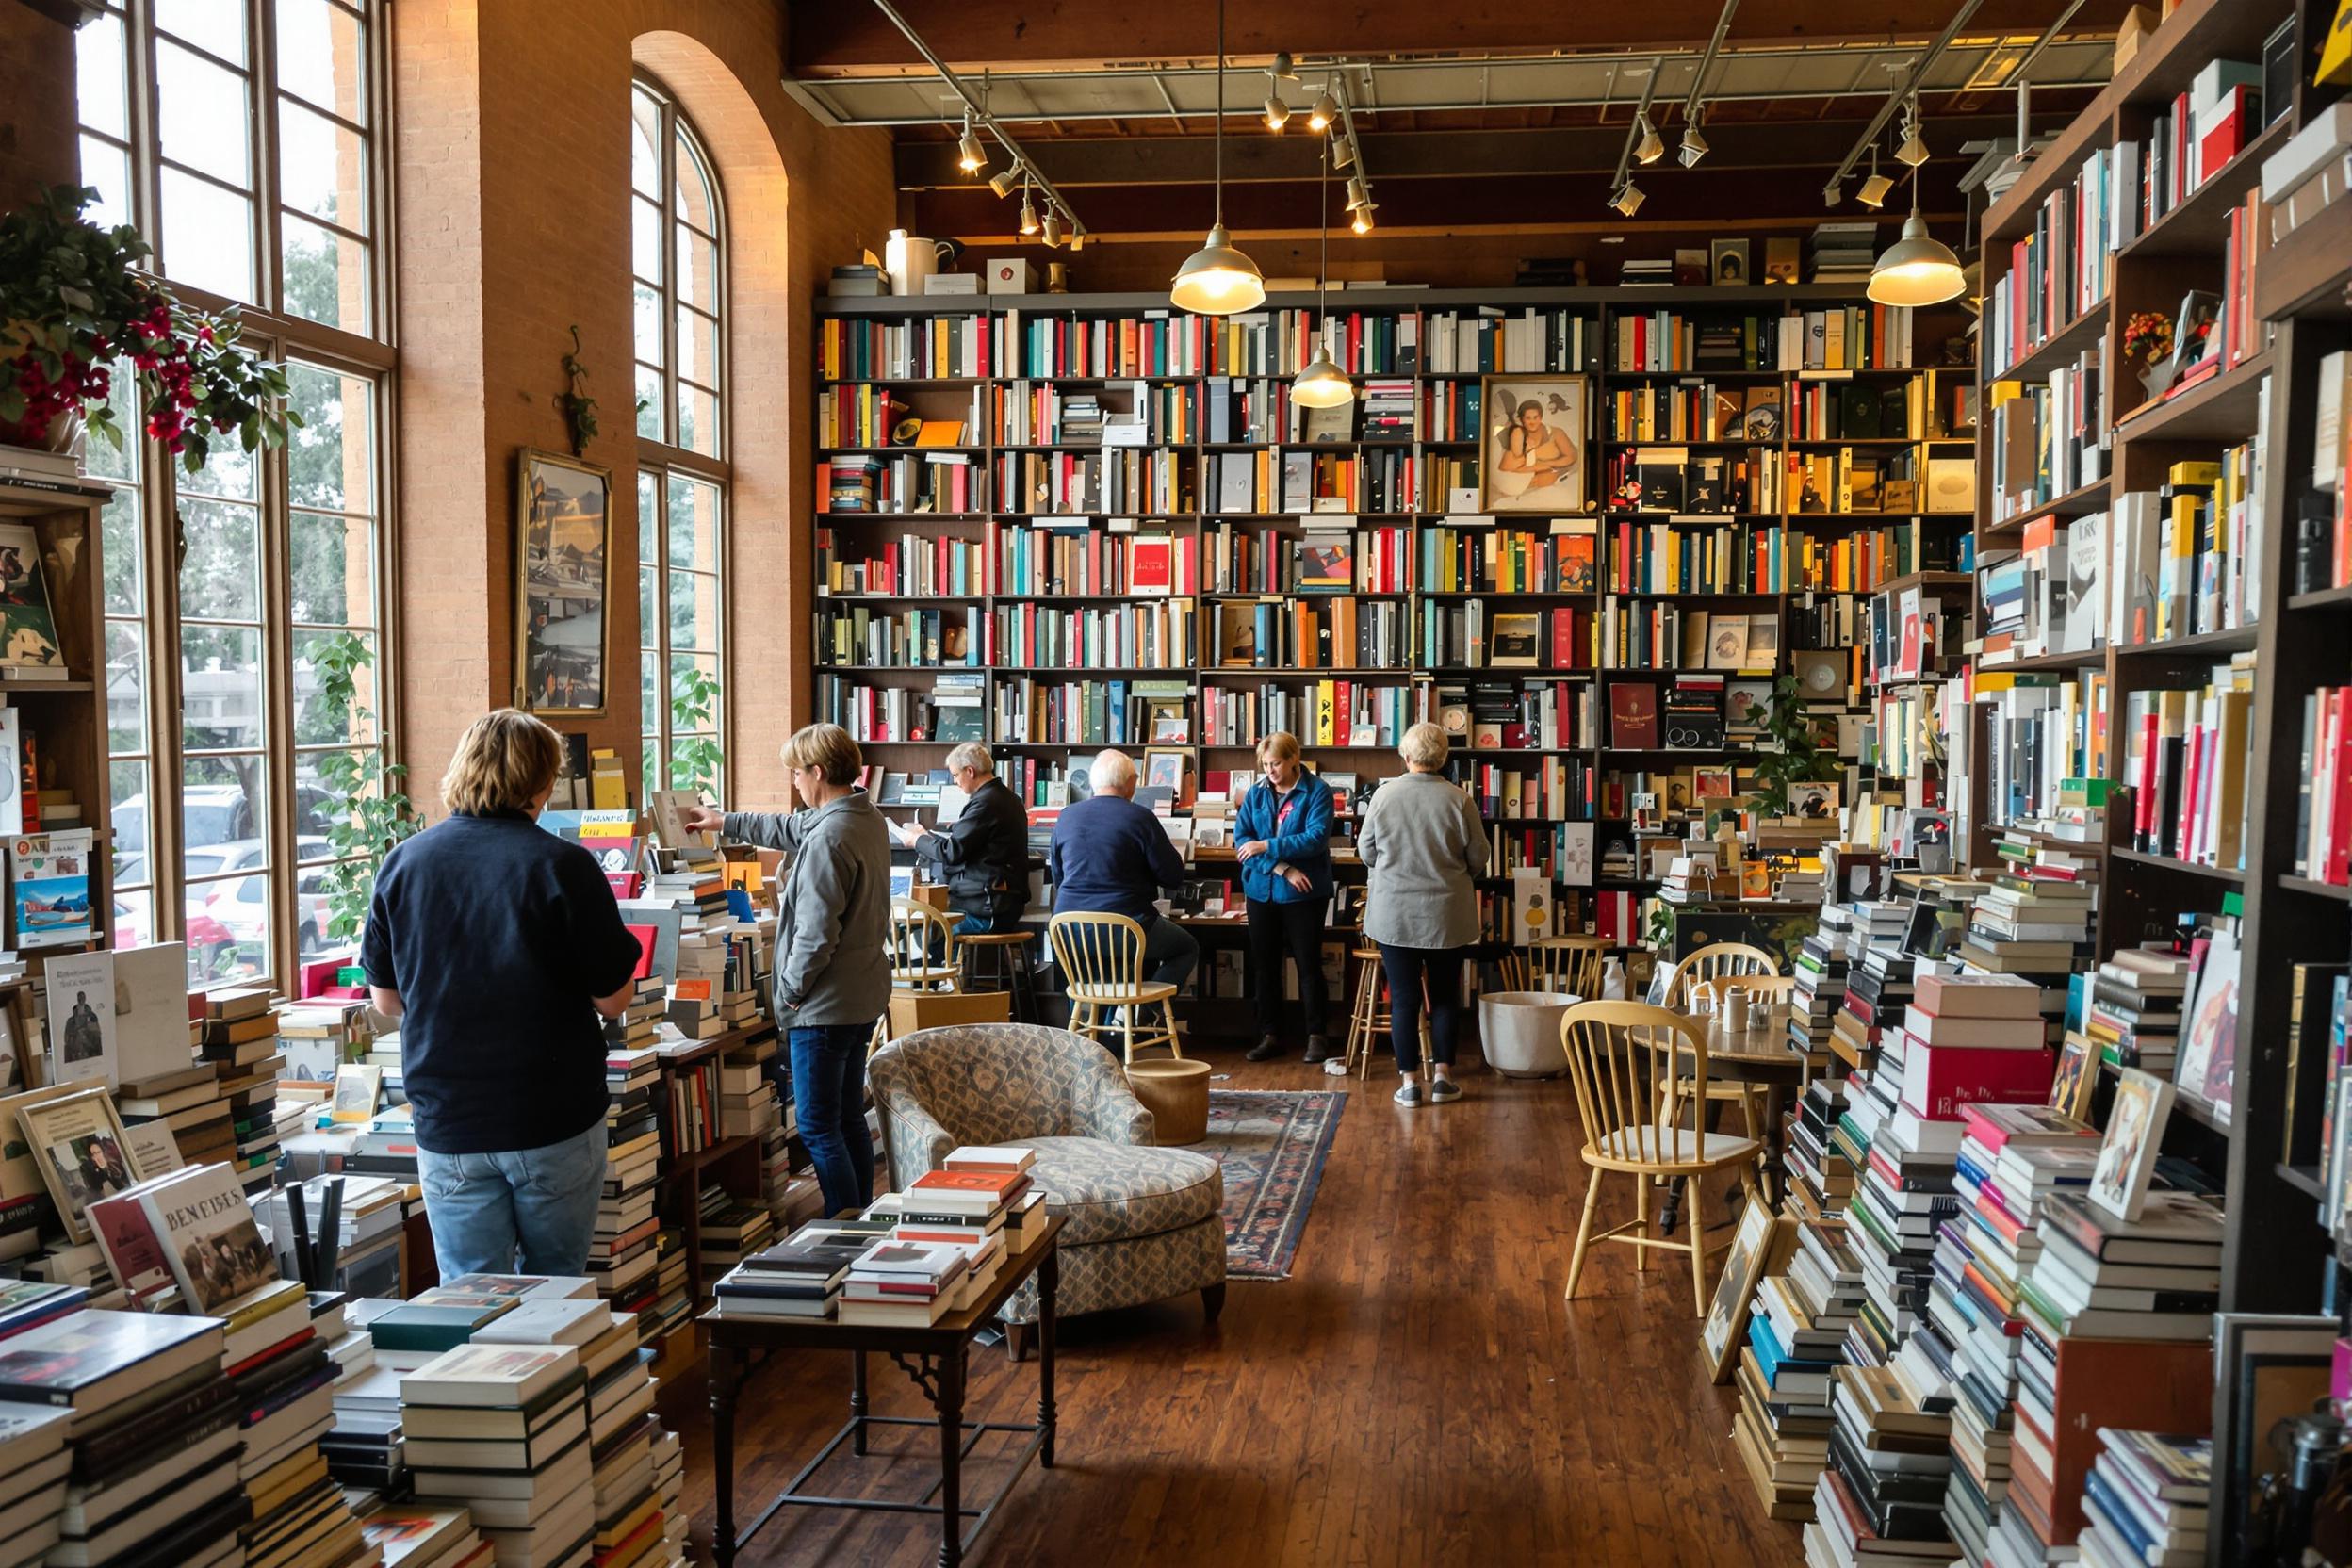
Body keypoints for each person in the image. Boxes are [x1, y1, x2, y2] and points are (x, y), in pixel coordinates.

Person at [363, 709, 644, 1278]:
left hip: (449, 1117)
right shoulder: (564, 866)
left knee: (469, 1302)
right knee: (554, 1295)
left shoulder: (404, 863)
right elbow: (614, 999)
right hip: (551, 1114)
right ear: (544, 783)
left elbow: (386, 1002)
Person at [681, 723, 890, 1217]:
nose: (793, 783)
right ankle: (863, 1222)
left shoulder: (829, 838)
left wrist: (790, 992)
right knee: (846, 1116)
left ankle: (842, 1229)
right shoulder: (863, 815)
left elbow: (817, 933)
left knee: (818, 1126)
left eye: (796, 773)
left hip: (823, 1004)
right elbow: (788, 827)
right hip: (860, 996)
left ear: (817, 772)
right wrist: (722, 821)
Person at [1355, 722, 1489, 1107]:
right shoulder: (1459, 799)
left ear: (1406, 756)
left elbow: (1367, 851)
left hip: (1395, 914)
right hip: (1446, 914)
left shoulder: (1383, 796)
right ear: (1444, 757)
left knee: (1403, 999)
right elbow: (1479, 857)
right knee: (1445, 998)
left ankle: (1410, 1083)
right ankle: (1444, 1077)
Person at [1047, 748, 1197, 1003]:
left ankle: (1090, 1031)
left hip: (1069, 929)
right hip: (1125, 927)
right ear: (1130, 783)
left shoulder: (1066, 817)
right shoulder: (1140, 817)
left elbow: (1059, 877)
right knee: (1186, 948)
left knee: (1096, 974)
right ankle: (1137, 1016)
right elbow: (1172, 876)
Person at [1233, 732, 1336, 1064]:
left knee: (1308, 964)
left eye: (1276, 763)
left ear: (1294, 758)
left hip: (1304, 896)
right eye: (1265, 765)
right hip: (1261, 890)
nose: (1271, 771)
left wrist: (1268, 846)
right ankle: (1270, 1035)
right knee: (1264, 966)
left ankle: (1317, 1035)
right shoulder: (1256, 793)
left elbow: (1316, 839)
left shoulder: (1318, 792)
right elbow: (1243, 840)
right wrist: (1281, 867)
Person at [892, 742, 1028, 935]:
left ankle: (940, 964)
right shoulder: (1006, 798)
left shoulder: (985, 803)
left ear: (970, 771)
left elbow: (952, 853)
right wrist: (926, 837)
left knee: (926, 931)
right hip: (997, 902)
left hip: (988, 909)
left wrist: (915, 840)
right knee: (919, 925)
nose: (955, 781)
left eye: (956, 775)